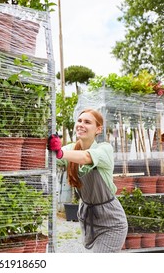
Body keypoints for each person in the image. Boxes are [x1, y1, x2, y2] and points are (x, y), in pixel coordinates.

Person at [48, 108, 128, 253]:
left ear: (98, 129)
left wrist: (60, 153)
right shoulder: (72, 148)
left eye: (87, 122)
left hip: (111, 221)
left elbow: (86, 157)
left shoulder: (105, 149)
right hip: (87, 219)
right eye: (79, 121)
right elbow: (51, 159)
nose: (81, 124)